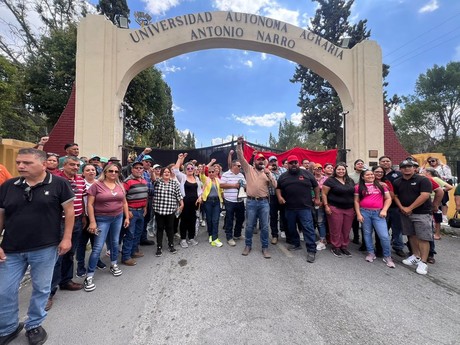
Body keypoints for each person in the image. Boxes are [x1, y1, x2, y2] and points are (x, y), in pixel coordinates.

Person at [0, 148, 74, 345]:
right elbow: (1, 215)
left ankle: (34, 325)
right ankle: (8, 327)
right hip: (11, 248)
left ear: (43, 164)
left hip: (45, 247)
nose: (20, 166)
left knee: (41, 289)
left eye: (26, 163)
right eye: (18, 162)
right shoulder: (8, 186)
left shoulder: (59, 184)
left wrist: (66, 238)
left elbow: (69, 212)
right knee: (4, 290)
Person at [47, 156, 87, 311]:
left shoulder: (81, 180)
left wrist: (83, 216)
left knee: (71, 252)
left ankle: (66, 280)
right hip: (60, 221)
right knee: (58, 255)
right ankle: (48, 292)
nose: (75, 167)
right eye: (72, 164)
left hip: (77, 220)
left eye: (77, 165)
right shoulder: (55, 179)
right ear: (64, 165)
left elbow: (81, 199)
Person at [84, 163, 130, 292]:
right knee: (98, 247)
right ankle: (89, 275)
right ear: (105, 171)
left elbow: (124, 202)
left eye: (116, 171)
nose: (114, 173)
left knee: (115, 243)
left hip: (118, 217)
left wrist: (126, 217)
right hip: (102, 219)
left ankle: (114, 264)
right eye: (111, 171)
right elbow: (90, 205)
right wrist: (92, 222)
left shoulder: (120, 185)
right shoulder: (96, 185)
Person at [236, 137, 276, 258]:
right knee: (249, 225)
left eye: (262, 160)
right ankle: (248, 245)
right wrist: (239, 144)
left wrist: (269, 174)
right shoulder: (248, 169)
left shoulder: (267, 173)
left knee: (264, 226)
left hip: (264, 202)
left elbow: (275, 185)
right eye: (259, 160)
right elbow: (240, 156)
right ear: (255, 162)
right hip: (251, 202)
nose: (261, 162)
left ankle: (265, 248)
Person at [276, 155, 320, 263]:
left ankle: (311, 250)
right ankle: (296, 244)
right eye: (291, 163)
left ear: (298, 163)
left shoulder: (307, 174)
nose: (294, 164)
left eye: (295, 162)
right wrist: (280, 197)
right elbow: (278, 188)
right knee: (291, 228)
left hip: (305, 207)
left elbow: (316, 186)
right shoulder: (283, 176)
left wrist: (318, 198)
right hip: (289, 208)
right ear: (288, 165)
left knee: (308, 228)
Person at [394, 160, 433, 275]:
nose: (407, 169)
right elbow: (395, 196)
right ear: (400, 169)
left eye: (409, 166)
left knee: (423, 237)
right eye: (404, 167)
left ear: (414, 168)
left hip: (421, 213)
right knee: (411, 235)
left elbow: (425, 195)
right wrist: (402, 207)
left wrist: (410, 207)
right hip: (405, 213)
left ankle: (424, 261)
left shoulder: (423, 180)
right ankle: (416, 255)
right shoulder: (397, 182)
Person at [354, 170, 395, 268]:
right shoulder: (358, 187)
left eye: (372, 174)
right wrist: (358, 214)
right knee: (367, 234)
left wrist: (384, 210)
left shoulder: (382, 186)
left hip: (378, 213)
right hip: (364, 212)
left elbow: (388, 198)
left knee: (384, 235)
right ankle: (370, 253)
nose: (370, 176)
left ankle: (387, 256)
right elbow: (356, 201)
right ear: (363, 177)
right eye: (367, 174)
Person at [75, 164, 106, 278]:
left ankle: (97, 260)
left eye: (93, 170)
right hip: (84, 218)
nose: (91, 172)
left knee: (96, 242)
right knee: (82, 243)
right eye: (87, 170)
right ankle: (80, 265)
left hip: (98, 217)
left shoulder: (100, 183)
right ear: (83, 173)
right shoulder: (80, 184)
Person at [322, 162, 355, 258]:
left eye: (343, 169)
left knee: (346, 229)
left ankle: (344, 246)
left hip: (349, 208)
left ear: (346, 170)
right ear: (335, 170)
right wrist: (326, 206)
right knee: (336, 228)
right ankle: (335, 246)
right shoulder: (330, 181)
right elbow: (324, 194)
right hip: (335, 208)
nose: (341, 171)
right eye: (339, 169)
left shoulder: (350, 181)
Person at [121, 161, 149, 266]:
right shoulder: (127, 182)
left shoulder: (144, 180)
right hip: (132, 211)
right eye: (136, 168)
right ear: (132, 169)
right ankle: (126, 257)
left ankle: (133, 251)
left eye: (141, 168)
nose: (139, 170)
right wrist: (127, 211)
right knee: (130, 234)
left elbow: (145, 196)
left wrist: (145, 207)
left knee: (138, 233)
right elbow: (123, 198)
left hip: (141, 211)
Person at [378, 155, 405, 257]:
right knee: (383, 229)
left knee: (397, 228)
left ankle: (398, 247)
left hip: (395, 205)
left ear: (391, 162)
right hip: (381, 206)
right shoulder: (378, 174)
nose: (385, 163)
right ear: (379, 163)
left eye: (387, 161)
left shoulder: (398, 174)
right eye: (383, 161)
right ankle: (381, 247)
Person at [173, 154, 202, 248]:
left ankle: (191, 237)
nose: (190, 170)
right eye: (188, 168)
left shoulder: (197, 179)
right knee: (184, 220)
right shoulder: (183, 177)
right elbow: (175, 170)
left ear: (194, 169)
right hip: (185, 202)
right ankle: (183, 239)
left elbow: (199, 191)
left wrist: (200, 198)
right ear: (185, 170)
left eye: (192, 168)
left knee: (192, 220)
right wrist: (179, 159)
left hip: (195, 203)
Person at [153, 167, 183, 257]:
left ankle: (171, 245)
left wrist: (182, 204)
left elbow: (179, 194)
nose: (166, 173)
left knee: (170, 228)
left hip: (170, 210)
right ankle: (159, 246)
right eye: (165, 172)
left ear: (170, 174)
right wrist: (152, 172)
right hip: (159, 210)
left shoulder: (174, 183)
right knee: (160, 228)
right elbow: (153, 178)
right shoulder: (157, 182)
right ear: (161, 173)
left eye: (168, 172)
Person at [219, 152, 245, 246]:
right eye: (239, 166)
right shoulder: (226, 174)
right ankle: (229, 237)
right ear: (233, 166)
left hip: (240, 200)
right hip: (229, 201)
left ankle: (237, 234)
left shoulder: (241, 175)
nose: (240, 167)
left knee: (241, 218)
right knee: (229, 219)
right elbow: (221, 185)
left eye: (240, 166)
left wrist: (243, 186)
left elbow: (245, 185)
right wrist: (234, 185)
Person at [423, 168, 453, 240]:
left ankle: (437, 234)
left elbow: (449, 187)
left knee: (436, 218)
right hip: (431, 200)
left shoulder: (435, 179)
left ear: (428, 172)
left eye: (424, 171)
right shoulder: (426, 179)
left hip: (435, 200)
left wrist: (441, 191)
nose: (422, 172)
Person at [201, 164, 224, 247]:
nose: (211, 173)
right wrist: (204, 168)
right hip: (208, 202)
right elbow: (202, 174)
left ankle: (215, 238)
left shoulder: (218, 180)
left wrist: (224, 200)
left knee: (215, 220)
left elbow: (221, 191)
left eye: (212, 172)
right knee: (209, 220)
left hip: (217, 202)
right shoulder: (206, 179)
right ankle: (211, 235)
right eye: (209, 172)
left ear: (215, 172)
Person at [425, 156, 453, 222]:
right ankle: (436, 217)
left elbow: (449, 176)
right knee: (435, 201)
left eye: (433, 161)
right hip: (433, 186)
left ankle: (444, 216)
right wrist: (424, 163)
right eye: (429, 161)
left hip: (442, 184)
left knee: (444, 201)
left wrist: (439, 177)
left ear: (437, 160)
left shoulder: (443, 167)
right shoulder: (428, 169)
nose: (431, 162)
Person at [267, 155, 287, 245]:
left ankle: (285, 232)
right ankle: (274, 235)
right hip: (272, 196)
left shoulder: (284, 170)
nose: (273, 163)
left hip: (284, 195)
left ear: (277, 162)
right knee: (273, 216)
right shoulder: (267, 172)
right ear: (269, 163)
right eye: (271, 161)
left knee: (284, 215)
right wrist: (269, 173)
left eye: (275, 161)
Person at [348, 159, 365, 246]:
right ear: (355, 166)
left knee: (364, 221)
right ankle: (356, 237)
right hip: (354, 198)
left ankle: (365, 240)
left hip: (365, 199)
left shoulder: (366, 174)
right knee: (355, 220)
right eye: (358, 164)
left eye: (362, 164)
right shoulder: (350, 175)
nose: (360, 165)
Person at [312, 163, 328, 250]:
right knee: (313, 220)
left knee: (320, 222)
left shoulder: (326, 179)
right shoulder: (311, 178)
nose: (318, 170)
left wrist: (322, 201)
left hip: (322, 203)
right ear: (313, 170)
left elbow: (327, 192)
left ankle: (322, 240)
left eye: (320, 168)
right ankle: (317, 238)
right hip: (311, 202)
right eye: (316, 168)